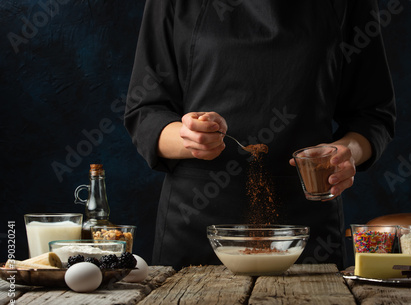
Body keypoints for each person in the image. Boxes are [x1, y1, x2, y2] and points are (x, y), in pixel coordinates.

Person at [124, 0, 396, 270]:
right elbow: (145, 111)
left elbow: (373, 115)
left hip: (305, 227)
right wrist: (188, 138)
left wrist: (346, 153)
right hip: (197, 220)